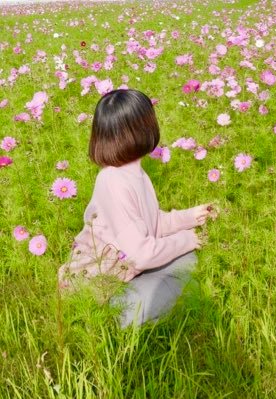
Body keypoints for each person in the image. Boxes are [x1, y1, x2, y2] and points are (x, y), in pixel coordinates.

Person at [58, 89, 212, 328]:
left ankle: (137, 307)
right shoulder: (113, 181)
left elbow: (152, 223)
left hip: (125, 271)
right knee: (184, 268)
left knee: (186, 262)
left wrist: (190, 217)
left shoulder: (133, 173)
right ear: (142, 130)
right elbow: (140, 254)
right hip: (102, 289)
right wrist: (186, 240)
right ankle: (114, 321)